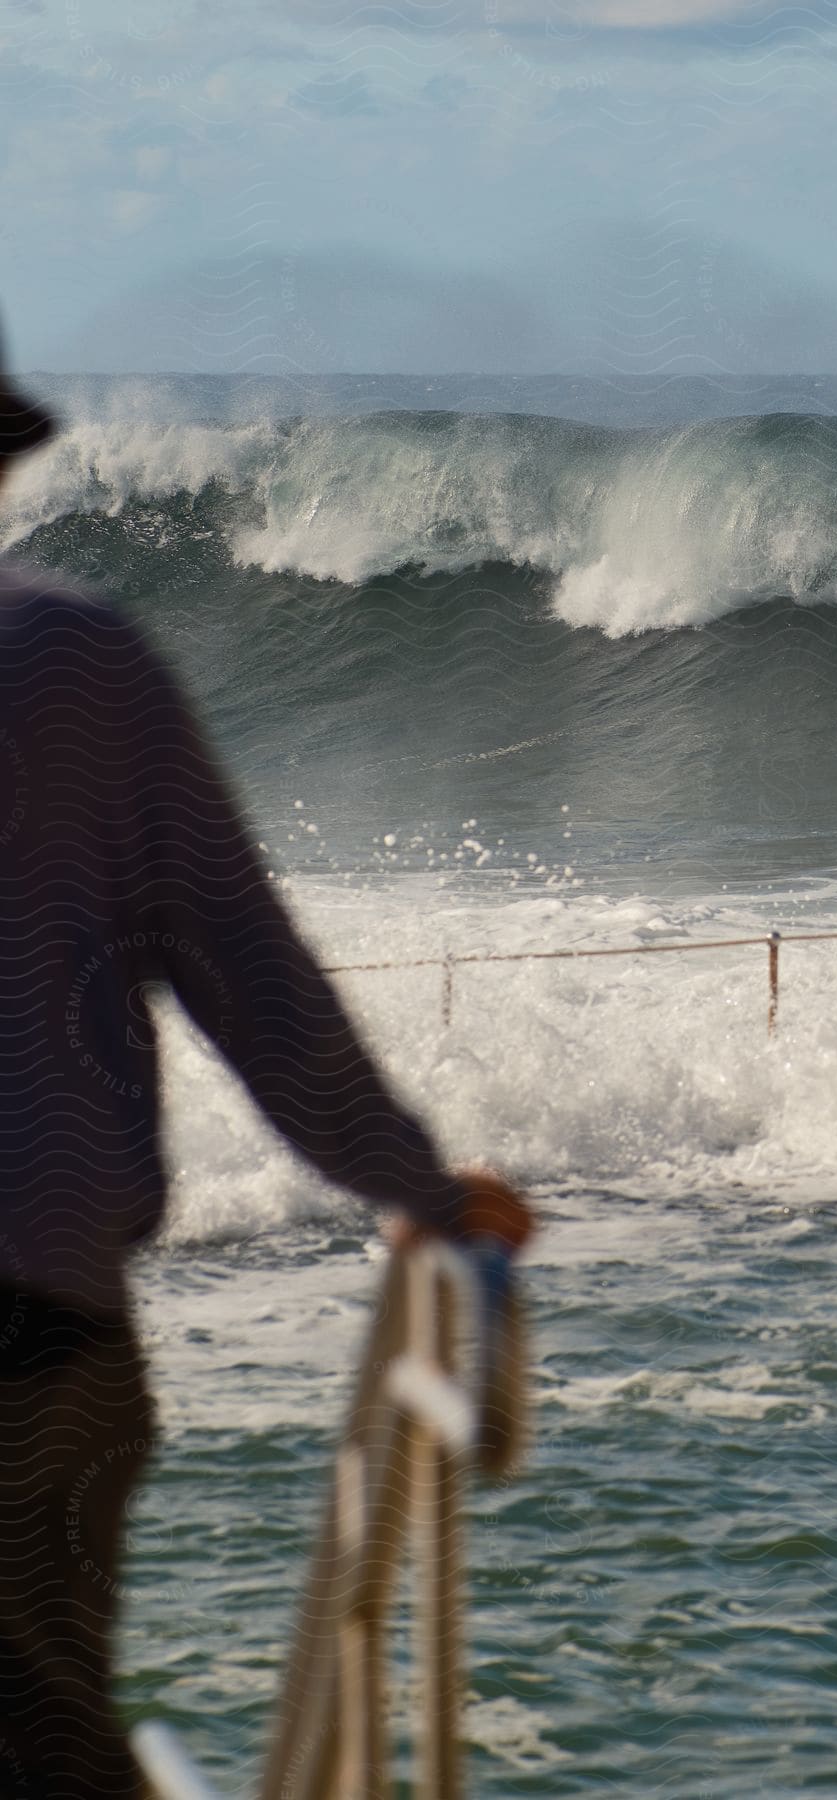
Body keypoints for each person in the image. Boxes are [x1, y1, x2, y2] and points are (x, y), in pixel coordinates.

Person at [0, 331, 531, 1796]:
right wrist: (415, 1187)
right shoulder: (68, 663)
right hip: (36, 1343)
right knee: (43, 1730)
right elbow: (250, 980)